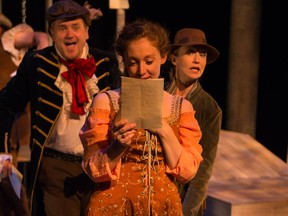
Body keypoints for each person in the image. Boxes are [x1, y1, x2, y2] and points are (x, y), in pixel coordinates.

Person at [0, 0, 121, 216]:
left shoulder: (105, 63)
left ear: (87, 32)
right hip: (55, 167)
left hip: (101, 164)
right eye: (62, 28)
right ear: (52, 33)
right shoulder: (36, 63)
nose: (69, 34)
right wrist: (3, 152)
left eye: (75, 27)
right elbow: (6, 104)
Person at [79, 19, 203, 215]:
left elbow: (188, 171)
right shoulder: (106, 102)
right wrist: (116, 148)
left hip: (164, 207)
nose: (141, 71)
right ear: (124, 61)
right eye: (133, 62)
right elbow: (92, 167)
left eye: (149, 61)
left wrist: (163, 128)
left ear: (163, 57)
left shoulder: (181, 107)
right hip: (115, 206)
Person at [165, 28, 222, 216]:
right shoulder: (159, 95)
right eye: (190, 52)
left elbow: (203, 170)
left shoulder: (209, 108)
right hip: (154, 192)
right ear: (174, 59)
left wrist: (186, 211)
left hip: (183, 200)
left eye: (202, 54)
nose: (198, 60)